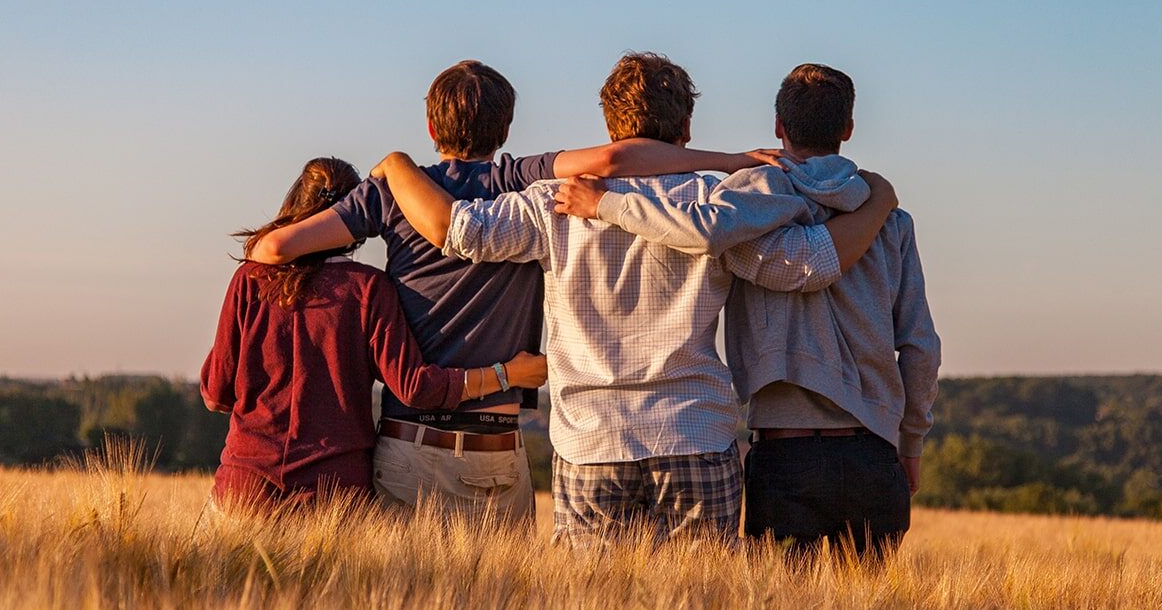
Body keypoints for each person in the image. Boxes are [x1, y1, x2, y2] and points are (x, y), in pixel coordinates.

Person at [372, 52, 899, 547]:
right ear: (686, 130)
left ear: (609, 127)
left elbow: (459, 231)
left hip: (591, 441)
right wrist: (878, 203)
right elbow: (806, 265)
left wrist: (397, 166)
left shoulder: (551, 203)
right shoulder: (717, 204)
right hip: (694, 432)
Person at [243, 60, 788, 525]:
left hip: (411, 442)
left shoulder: (391, 193)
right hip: (497, 449)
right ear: (505, 129)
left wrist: (389, 171)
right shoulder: (520, 180)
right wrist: (731, 161)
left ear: (431, 127)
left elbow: (272, 251)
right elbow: (614, 160)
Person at [554, 63, 941, 559]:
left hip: (785, 453)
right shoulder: (890, 220)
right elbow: (920, 346)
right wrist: (910, 442)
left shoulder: (746, 203)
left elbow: (701, 230)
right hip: (874, 451)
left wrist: (607, 203)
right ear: (847, 129)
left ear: (779, 126)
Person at [200, 156, 547, 512]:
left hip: (245, 487)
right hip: (334, 495)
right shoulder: (368, 289)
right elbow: (415, 387)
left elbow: (216, 393)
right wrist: (507, 374)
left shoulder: (250, 280)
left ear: (295, 205)